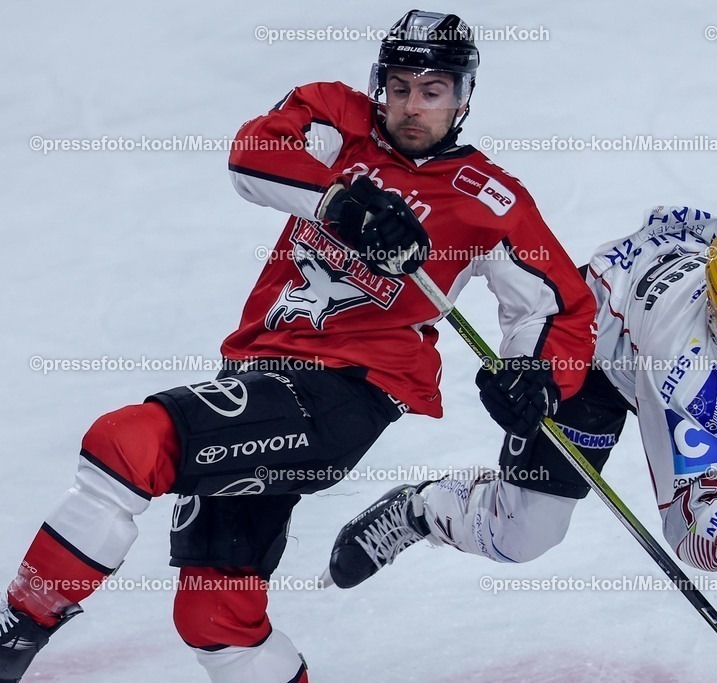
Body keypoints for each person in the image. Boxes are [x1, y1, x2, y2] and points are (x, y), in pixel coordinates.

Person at [0, 10, 595, 683]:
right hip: (257, 378)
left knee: (127, 442)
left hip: (341, 395)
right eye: (398, 86)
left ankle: (11, 636)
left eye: (431, 91)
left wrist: (538, 375)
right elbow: (253, 152)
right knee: (217, 615)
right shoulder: (338, 120)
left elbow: (559, 304)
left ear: (462, 98)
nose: (410, 106)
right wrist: (342, 202)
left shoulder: (487, 198)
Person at [328, 207, 717, 647]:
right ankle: (424, 510)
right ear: (714, 317)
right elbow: (690, 518)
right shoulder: (680, 362)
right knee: (524, 536)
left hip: (654, 292)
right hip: (595, 350)